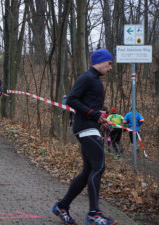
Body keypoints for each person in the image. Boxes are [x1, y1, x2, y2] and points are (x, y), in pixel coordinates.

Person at [51, 49, 118, 225]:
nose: (110, 68)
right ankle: (94, 214)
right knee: (99, 167)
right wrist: (94, 114)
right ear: (101, 62)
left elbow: (89, 106)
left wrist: (100, 117)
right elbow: (71, 99)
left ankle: (62, 206)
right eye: (109, 63)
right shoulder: (87, 77)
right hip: (85, 128)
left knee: (89, 170)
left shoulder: (95, 80)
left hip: (91, 127)